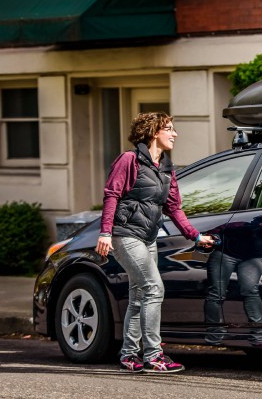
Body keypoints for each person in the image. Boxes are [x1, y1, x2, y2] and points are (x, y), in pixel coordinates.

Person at [95, 112, 215, 373]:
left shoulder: (166, 168)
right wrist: (105, 233)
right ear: (153, 132)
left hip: (148, 237)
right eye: (169, 129)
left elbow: (174, 208)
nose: (175, 134)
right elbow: (112, 195)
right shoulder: (130, 160)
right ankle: (153, 355)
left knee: (139, 295)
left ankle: (129, 354)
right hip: (125, 234)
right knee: (153, 289)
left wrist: (195, 236)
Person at [204, 211, 262, 345]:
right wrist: (211, 236)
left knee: (250, 290)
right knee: (216, 293)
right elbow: (220, 226)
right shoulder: (244, 218)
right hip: (225, 253)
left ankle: (259, 334)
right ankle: (214, 334)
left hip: (253, 256)